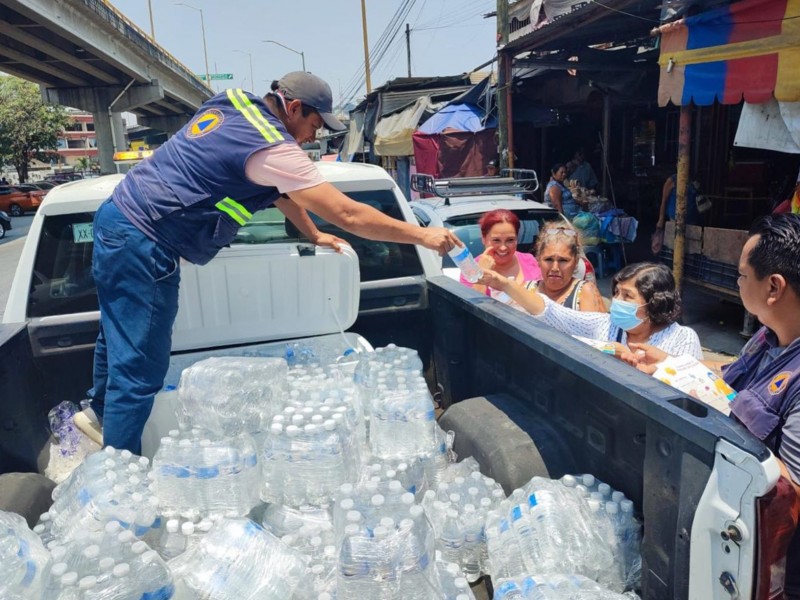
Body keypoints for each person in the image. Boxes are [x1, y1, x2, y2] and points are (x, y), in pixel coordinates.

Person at [90, 72, 461, 454]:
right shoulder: (274, 147)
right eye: (314, 125)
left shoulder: (232, 102)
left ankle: (102, 415)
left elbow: (281, 194)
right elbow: (348, 215)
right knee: (139, 371)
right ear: (294, 107)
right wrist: (422, 235)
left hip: (116, 217)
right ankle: (120, 469)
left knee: (115, 335)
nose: (313, 137)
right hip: (145, 241)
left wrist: (312, 235)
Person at [629, 214, 800, 595]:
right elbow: (730, 377)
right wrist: (667, 363)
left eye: (741, 275)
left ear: (773, 287)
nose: (738, 283)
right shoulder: (767, 338)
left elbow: (789, 490)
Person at [478, 262, 702, 359]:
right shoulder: (606, 325)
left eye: (627, 296)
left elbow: (687, 391)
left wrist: (630, 359)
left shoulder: (682, 338)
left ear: (655, 303)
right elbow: (551, 313)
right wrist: (506, 284)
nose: (616, 301)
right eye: (616, 293)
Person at [461, 209, 541, 301]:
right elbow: (471, 309)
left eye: (510, 240)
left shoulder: (529, 261)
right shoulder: (469, 270)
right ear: (483, 239)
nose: (503, 248)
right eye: (496, 240)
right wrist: (482, 273)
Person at [525, 224, 605, 312]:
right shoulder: (527, 289)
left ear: (575, 262)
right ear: (538, 260)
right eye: (549, 259)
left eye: (563, 260)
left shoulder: (586, 292)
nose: (555, 268)